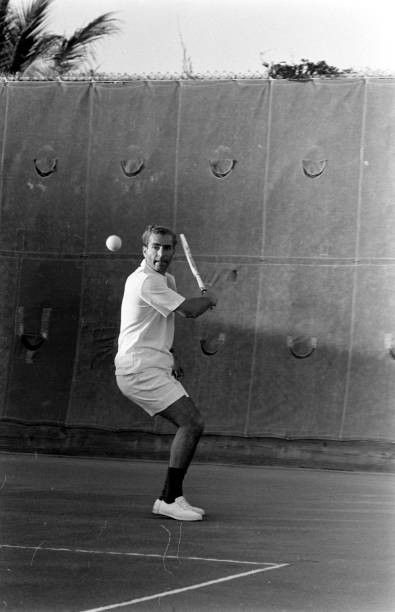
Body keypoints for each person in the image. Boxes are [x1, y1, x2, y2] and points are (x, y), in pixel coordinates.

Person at [115, 224, 217, 521]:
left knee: (192, 423)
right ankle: (169, 499)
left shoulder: (166, 279)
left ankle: (171, 497)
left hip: (153, 365)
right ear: (144, 250)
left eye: (167, 248)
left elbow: (156, 323)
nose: (161, 253)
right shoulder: (145, 281)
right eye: (155, 247)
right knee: (192, 422)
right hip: (138, 370)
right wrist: (209, 300)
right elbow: (188, 310)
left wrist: (170, 356)